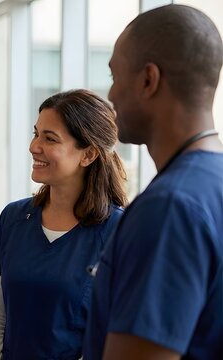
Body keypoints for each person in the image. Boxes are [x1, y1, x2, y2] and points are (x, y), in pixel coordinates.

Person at [84, 5, 223, 360]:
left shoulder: (170, 208)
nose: (110, 95)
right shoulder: (211, 185)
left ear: (148, 79)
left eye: (115, 76)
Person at [0, 89, 127, 359]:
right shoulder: (13, 218)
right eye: (36, 134)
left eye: (50, 138)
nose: (34, 146)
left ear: (88, 155)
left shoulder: (120, 231)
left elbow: (116, 331)